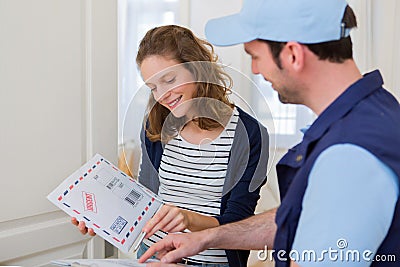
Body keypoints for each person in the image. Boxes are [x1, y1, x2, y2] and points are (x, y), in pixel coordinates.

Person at [138, 0, 400, 266]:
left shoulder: (348, 153)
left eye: (254, 55)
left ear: (293, 55)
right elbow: (295, 220)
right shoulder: (369, 116)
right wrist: (206, 238)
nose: (255, 70)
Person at [72, 25, 269, 267]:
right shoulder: (156, 126)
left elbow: (239, 221)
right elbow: (145, 200)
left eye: (169, 80)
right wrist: (101, 215)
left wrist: (188, 219)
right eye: (153, 87)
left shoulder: (249, 134)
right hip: (154, 257)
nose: (162, 95)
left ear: (197, 68)